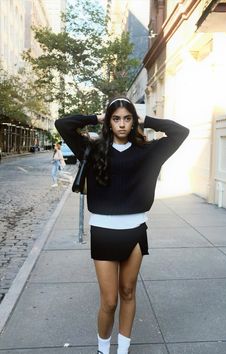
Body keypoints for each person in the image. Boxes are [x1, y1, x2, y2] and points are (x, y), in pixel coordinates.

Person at [55, 97, 189, 354]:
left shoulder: (149, 151)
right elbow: (63, 124)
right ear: (109, 121)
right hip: (103, 232)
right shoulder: (93, 148)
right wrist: (97, 118)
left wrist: (144, 119)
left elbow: (180, 132)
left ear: (133, 121)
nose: (122, 124)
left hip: (136, 231)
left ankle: (123, 350)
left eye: (127, 118)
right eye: (116, 118)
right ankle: (102, 350)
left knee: (128, 292)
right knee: (109, 300)